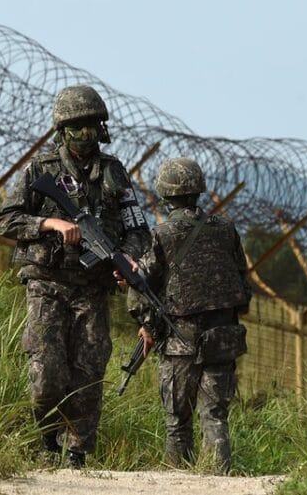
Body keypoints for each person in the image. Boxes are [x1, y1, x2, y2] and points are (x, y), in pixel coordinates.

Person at [0, 85, 150, 468]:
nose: (85, 134)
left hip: (92, 288)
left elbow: (137, 230)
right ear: (62, 130)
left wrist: (125, 260)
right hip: (47, 282)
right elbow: (5, 220)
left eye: (92, 126)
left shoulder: (113, 172)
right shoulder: (40, 169)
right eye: (77, 126)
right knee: (46, 370)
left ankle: (76, 454)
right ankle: (46, 438)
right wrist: (51, 223)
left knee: (90, 368)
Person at [123, 157, 251, 473]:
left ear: (165, 194)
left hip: (181, 340)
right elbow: (240, 278)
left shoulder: (163, 234)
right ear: (199, 190)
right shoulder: (226, 230)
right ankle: (218, 481)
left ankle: (178, 480)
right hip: (223, 337)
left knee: (177, 418)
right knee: (215, 415)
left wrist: (145, 324)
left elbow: (144, 286)